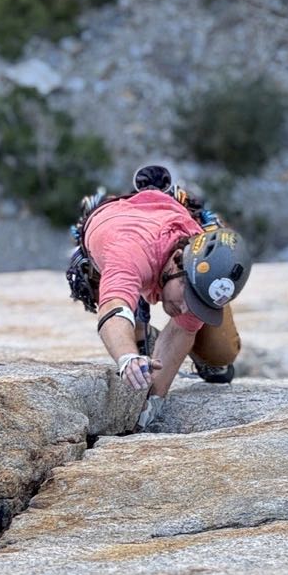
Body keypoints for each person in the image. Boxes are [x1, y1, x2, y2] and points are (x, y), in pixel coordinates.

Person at [77, 169, 252, 429]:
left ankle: (153, 341)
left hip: (166, 233)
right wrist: (126, 357)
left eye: (198, 303)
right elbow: (114, 307)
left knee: (220, 352)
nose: (185, 308)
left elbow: (182, 329)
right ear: (175, 263)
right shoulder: (128, 250)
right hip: (122, 235)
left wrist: (154, 402)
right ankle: (140, 333)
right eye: (189, 298)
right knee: (128, 333)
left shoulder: (195, 266)